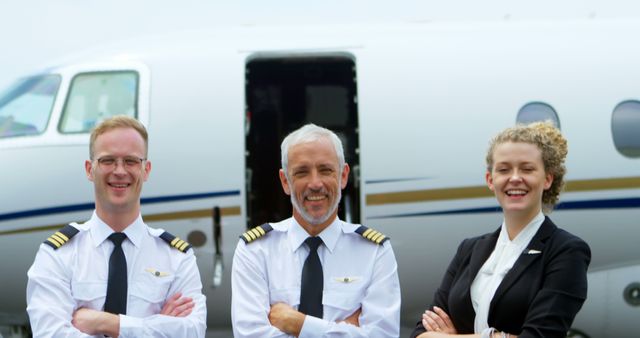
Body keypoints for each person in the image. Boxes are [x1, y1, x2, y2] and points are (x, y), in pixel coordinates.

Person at [26, 115, 206, 337]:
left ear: (146, 170)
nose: (120, 171)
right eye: (107, 160)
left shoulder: (178, 258)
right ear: (89, 169)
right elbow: (50, 334)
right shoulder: (57, 255)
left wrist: (106, 323)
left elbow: (193, 332)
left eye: (131, 161)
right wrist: (157, 326)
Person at [410, 121, 591, 338]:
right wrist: (499, 336)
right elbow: (420, 334)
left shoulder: (566, 251)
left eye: (527, 168)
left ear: (547, 179)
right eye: (504, 169)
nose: (515, 178)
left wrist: (452, 337)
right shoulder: (469, 249)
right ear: (490, 180)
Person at [231, 123, 401, 337]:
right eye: (302, 172)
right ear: (285, 181)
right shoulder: (255, 251)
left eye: (325, 170)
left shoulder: (375, 251)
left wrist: (296, 324)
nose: (315, 183)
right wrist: (345, 329)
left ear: (343, 176)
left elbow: (383, 336)